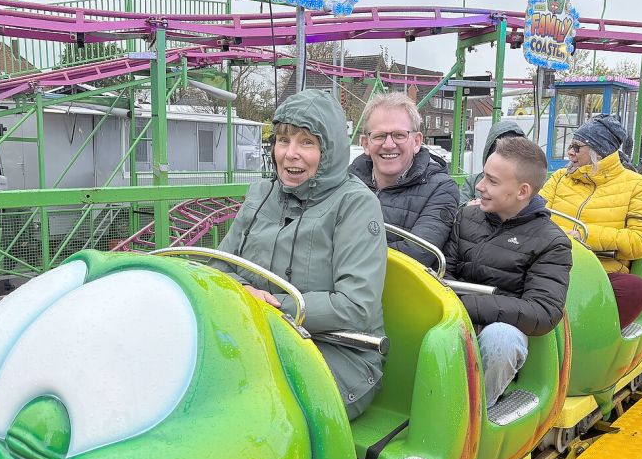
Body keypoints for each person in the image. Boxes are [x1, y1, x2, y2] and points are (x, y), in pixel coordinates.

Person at [215, 89, 387, 420]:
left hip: (338, 351)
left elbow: (356, 304)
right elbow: (218, 264)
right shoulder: (262, 193)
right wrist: (244, 290)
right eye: (283, 140)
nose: (290, 154)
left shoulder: (355, 204)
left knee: (249, 407)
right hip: (257, 337)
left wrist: (270, 308)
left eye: (306, 142)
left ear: (329, 150)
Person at [444, 129, 572, 407]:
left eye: (492, 181)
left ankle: (475, 411)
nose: (480, 186)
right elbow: (446, 272)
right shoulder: (466, 217)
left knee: (501, 339)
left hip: (498, 326)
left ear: (522, 191)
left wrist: (469, 306)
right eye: (483, 176)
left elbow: (544, 311)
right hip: (456, 315)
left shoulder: (551, 242)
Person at [540, 114, 642, 330]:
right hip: (551, 264)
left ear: (598, 151)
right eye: (570, 146)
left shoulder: (637, 185)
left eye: (576, 147)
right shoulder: (559, 178)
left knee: (635, 289)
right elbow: (536, 217)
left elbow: (641, 240)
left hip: (602, 271)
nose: (570, 152)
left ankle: (596, 336)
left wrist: (585, 236)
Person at [349, 93, 460, 267]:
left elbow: (418, 254)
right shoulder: (346, 182)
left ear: (416, 142)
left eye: (399, 135)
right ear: (365, 144)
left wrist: (344, 253)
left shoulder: (441, 189)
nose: (388, 145)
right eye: (379, 136)